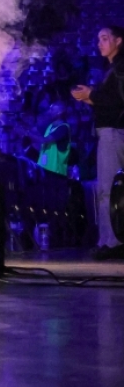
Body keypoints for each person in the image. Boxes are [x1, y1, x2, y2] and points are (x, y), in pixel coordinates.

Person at [72, 24, 124, 260]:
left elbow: (116, 101)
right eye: (99, 39)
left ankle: (110, 242)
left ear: (118, 41)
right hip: (112, 131)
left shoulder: (119, 68)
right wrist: (90, 97)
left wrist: (91, 94)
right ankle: (112, 240)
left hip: (113, 134)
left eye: (105, 38)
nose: (100, 43)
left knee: (107, 190)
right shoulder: (113, 69)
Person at [36, 99, 71, 176]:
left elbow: (43, 140)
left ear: (59, 112)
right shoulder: (50, 126)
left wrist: (26, 132)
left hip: (55, 172)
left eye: (52, 109)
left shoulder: (63, 128)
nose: (49, 111)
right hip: (44, 169)